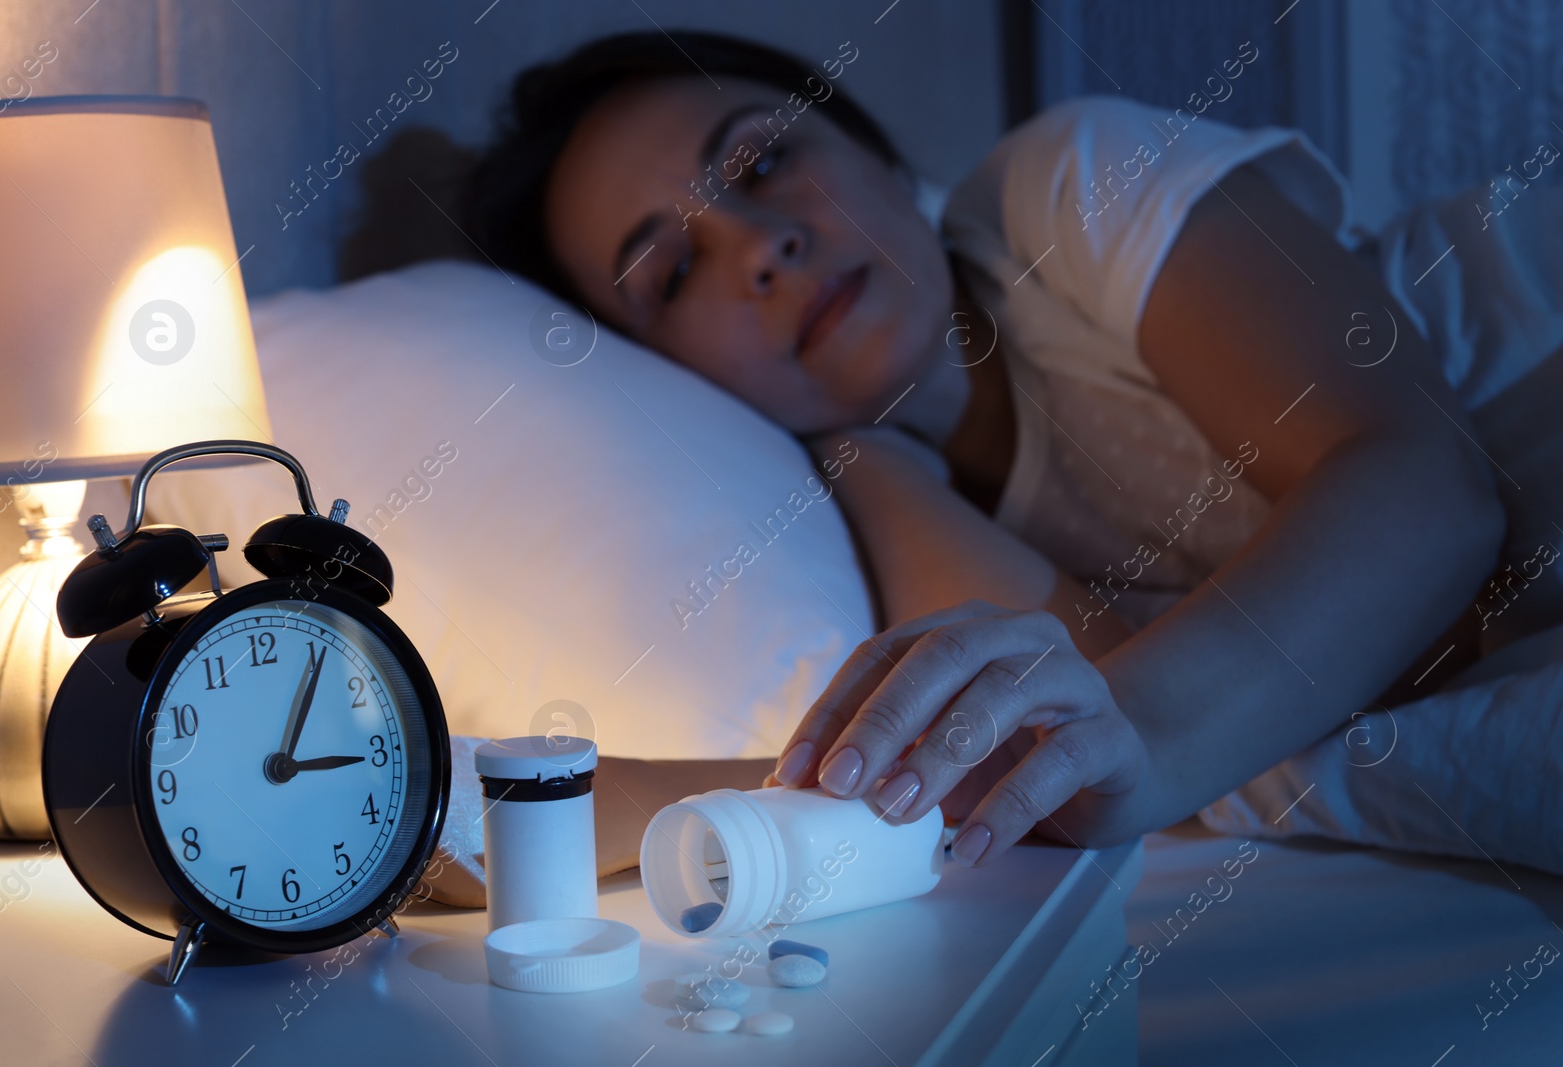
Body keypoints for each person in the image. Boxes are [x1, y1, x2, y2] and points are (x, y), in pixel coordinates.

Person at [464, 31, 1563, 870]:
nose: (761, 247)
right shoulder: (879, 498)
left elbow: (1429, 494)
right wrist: (867, 461)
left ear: (879, 156)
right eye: (673, 273)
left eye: (760, 165)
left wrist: (1122, 747)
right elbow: (1074, 757)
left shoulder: (1067, 182)